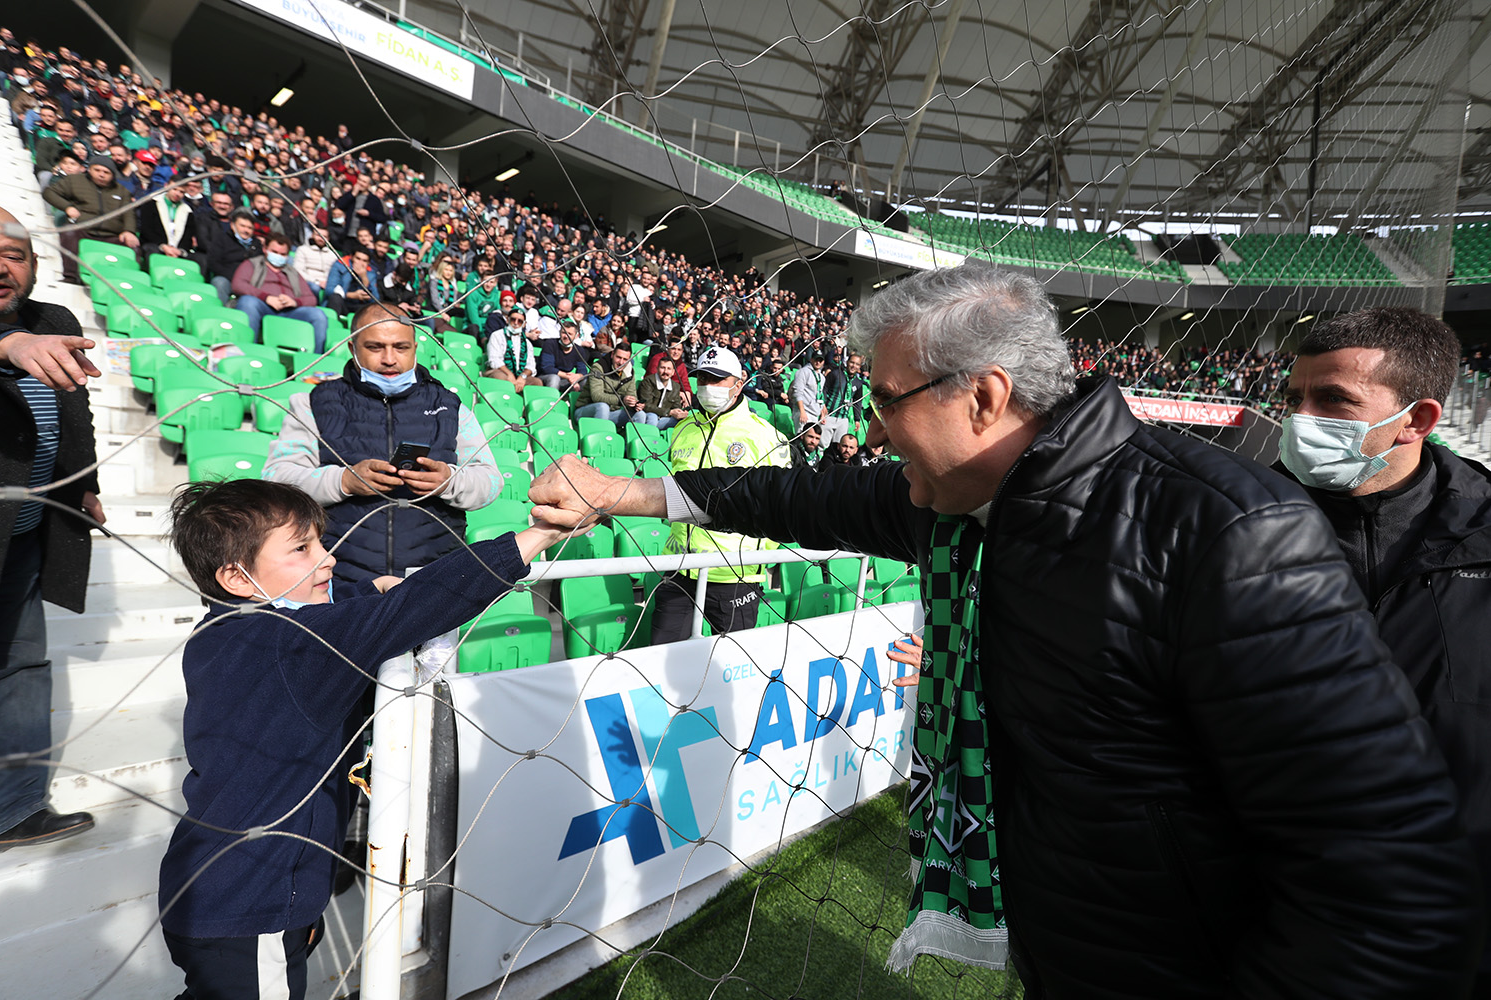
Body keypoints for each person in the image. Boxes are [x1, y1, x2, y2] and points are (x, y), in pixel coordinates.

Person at [528, 263, 1482, 997]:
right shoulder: (967, 502)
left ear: (981, 397)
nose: (873, 425)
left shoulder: (1225, 531)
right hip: (1072, 952)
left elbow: (1379, 862)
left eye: (886, 400)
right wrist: (620, 493)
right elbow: (806, 496)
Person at [159, 477, 579, 997]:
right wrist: (537, 535)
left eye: (321, 540)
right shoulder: (291, 648)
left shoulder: (230, 632)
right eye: (301, 549)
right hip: (252, 904)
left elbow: (335, 616)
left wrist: (366, 593)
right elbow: (409, 609)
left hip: (227, 890)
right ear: (237, 577)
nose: (328, 558)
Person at [1278, 306, 1491, 991]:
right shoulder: (1229, 527)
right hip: (1281, 913)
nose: (1301, 419)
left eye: (1333, 400)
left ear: (1419, 420)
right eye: (1293, 399)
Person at [0, 203, 104, 852]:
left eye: (14, 254)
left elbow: (75, 410)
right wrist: (9, 345)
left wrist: (85, 482)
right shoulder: (20, 337)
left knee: (21, 664)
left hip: (26, 531)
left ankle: (10, 810)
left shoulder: (54, 321)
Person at [262, 303, 499, 584]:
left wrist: (448, 481)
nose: (389, 359)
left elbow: (490, 483)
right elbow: (276, 481)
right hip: (340, 581)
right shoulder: (312, 404)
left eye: (401, 347)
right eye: (375, 347)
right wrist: (344, 481)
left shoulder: (449, 407)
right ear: (353, 348)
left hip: (433, 578)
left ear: (414, 347)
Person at [642, 345, 788, 643]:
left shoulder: (766, 437)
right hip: (679, 570)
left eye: (716, 379)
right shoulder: (683, 429)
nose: (708, 386)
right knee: (660, 661)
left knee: (732, 670)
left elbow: (780, 504)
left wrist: (757, 557)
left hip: (733, 577)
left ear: (740, 381)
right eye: (702, 379)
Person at [41, 154, 138, 283]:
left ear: (112, 175)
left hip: (112, 235)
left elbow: (128, 212)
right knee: (69, 233)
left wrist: (129, 231)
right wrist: (68, 207)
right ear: (89, 169)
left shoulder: (122, 191)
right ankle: (71, 276)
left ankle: (127, 282)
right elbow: (49, 192)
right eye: (97, 170)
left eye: (106, 172)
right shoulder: (74, 181)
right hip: (83, 229)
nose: (101, 175)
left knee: (134, 246)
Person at [231, 234, 329, 351]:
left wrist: (294, 302)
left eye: (283, 254)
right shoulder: (252, 264)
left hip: (290, 311)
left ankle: (316, 361)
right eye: (274, 252)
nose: (278, 256)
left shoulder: (293, 273)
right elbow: (238, 284)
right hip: (263, 306)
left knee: (318, 315)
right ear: (265, 249)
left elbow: (311, 298)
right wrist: (266, 297)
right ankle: (247, 349)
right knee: (248, 302)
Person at [136, 180, 204, 268]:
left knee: (200, 258)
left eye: (181, 192)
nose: (177, 194)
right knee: (151, 250)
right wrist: (163, 246)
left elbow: (188, 236)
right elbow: (147, 230)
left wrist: (179, 251)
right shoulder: (151, 204)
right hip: (156, 245)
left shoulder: (188, 211)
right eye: (174, 189)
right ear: (166, 186)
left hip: (177, 250)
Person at [572, 340, 637, 428]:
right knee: (603, 407)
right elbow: (597, 396)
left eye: (625, 359)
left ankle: (626, 441)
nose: (621, 362)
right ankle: (598, 440)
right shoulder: (598, 367)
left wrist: (634, 404)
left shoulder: (630, 372)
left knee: (639, 415)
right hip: (586, 410)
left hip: (610, 413)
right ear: (612, 354)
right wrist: (622, 400)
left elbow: (632, 395)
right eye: (618, 357)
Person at [483, 305, 541, 390]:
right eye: (513, 319)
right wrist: (509, 374)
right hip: (499, 371)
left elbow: (531, 366)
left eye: (520, 321)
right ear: (507, 319)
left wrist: (522, 377)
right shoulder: (497, 335)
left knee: (537, 382)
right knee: (501, 377)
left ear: (524, 324)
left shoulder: (527, 343)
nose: (516, 323)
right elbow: (494, 360)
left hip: (519, 375)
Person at [634, 353, 689, 430]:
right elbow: (646, 405)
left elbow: (676, 407)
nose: (665, 371)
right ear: (657, 369)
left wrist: (680, 413)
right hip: (648, 416)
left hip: (664, 418)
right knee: (653, 417)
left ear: (673, 372)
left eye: (669, 369)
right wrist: (670, 412)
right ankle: (650, 439)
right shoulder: (648, 381)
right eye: (662, 368)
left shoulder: (676, 386)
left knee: (682, 422)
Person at [536, 319, 589, 395]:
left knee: (585, 381)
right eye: (564, 332)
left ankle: (576, 405)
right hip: (546, 377)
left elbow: (583, 370)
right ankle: (550, 403)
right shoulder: (550, 344)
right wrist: (568, 377)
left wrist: (578, 376)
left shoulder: (579, 350)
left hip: (565, 380)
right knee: (554, 378)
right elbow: (547, 368)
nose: (566, 336)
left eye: (570, 334)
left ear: (576, 336)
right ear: (560, 333)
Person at [323, 248, 378, 319]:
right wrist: (351, 295)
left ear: (368, 263)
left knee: (373, 308)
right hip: (342, 302)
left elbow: (376, 300)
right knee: (335, 298)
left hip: (358, 306)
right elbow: (329, 290)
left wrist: (364, 278)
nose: (360, 263)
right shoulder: (340, 265)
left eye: (364, 261)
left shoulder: (370, 273)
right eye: (358, 258)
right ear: (352, 257)